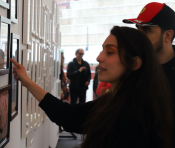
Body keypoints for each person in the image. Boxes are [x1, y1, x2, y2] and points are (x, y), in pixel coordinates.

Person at [10, 26, 173, 147]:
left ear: (135, 63)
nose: (99, 57)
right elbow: (69, 116)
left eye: (110, 52)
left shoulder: (135, 115)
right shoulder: (114, 101)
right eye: (103, 50)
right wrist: (28, 82)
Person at [123, 2, 175, 102]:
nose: (139, 37)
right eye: (138, 29)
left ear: (167, 35)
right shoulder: (134, 67)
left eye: (147, 30)